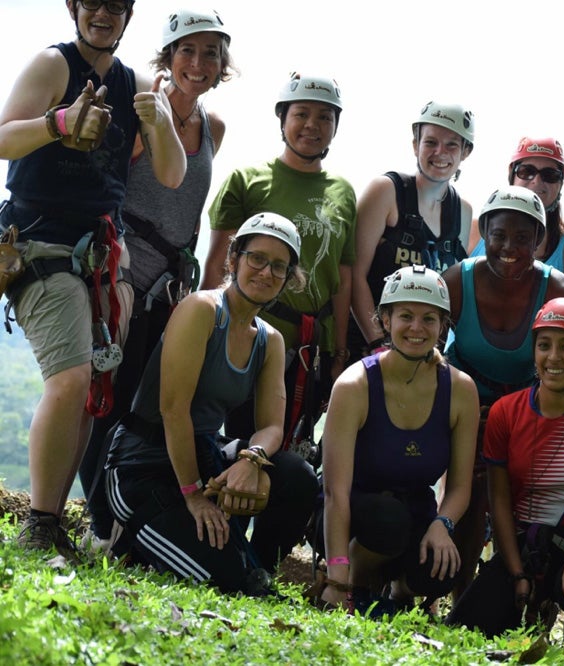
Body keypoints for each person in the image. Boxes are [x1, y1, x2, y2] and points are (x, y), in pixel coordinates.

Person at [0, 0, 186, 554]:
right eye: (92, 3)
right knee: (73, 380)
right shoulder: (53, 65)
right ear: (73, 8)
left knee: (89, 392)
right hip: (38, 241)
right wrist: (59, 122)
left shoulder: (133, 85)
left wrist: (157, 119)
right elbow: (4, 137)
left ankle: (50, 521)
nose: (102, 14)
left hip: (100, 255)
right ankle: (40, 523)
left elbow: (171, 175)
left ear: (128, 14)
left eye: (114, 5)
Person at [79, 6, 235, 548]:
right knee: (106, 400)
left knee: (143, 406)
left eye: (210, 54)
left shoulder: (212, 128)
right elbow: (110, 190)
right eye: (187, 51)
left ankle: (121, 519)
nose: (198, 63)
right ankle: (99, 523)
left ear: (222, 65)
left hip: (168, 285)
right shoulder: (145, 112)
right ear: (168, 57)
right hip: (119, 275)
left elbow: (188, 211)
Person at [104, 213, 319, 593]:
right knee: (221, 582)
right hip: (145, 462)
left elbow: (272, 426)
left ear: (288, 278)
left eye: (279, 266)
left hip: (205, 457)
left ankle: (259, 567)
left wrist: (252, 460)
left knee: (295, 476)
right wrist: (193, 495)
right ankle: (142, 540)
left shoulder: (269, 340)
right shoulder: (202, 310)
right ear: (234, 259)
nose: (266, 272)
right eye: (257, 258)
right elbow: (173, 409)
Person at [446, 297, 564, 646]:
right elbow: (498, 500)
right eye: (544, 345)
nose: (554, 357)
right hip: (525, 545)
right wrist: (516, 572)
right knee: (464, 632)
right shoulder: (506, 412)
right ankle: (532, 608)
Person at [200, 72, 356, 460]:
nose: (312, 126)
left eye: (325, 117)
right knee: (238, 445)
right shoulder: (248, 180)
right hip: (248, 335)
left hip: (310, 346)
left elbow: (343, 276)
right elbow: (218, 261)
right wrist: (205, 330)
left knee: (290, 453)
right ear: (283, 120)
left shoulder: (343, 192)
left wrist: (338, 352)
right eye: (301, 114)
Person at [442, 184, 564, 599]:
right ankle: (458, 592)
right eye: (499, 235)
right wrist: (463, 410)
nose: (509, 248)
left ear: (540, 240)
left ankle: (530, 595)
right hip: (466, 400)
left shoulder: (559, 293)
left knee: (529, 504)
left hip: (530, 408)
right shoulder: (456, 281)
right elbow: (426, 355)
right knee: (466, 494)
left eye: (524, 238)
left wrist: (516, 417)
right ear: (484, 231)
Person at [317, 265, 479, 614]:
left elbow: (459, 488)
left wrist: (442, 524)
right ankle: (357, 585)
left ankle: (399, 590)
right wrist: (337, 575)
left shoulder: (461, 390)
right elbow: (335, 492)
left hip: (413, 515)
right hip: (352, 517)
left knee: (442, 569)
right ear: (385, 321)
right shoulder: (354, 385)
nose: (417, 328)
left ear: (442, 327)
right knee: (388, 520)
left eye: (429, 319)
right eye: (405, 315)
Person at [348, 101, 474, 360]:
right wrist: (378, 345)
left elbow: (449, 297)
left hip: (423, 354)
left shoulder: (463, 211)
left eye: (452, 144)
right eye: (430, 142)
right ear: (415, 144)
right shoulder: (386, 191)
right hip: (369, 348)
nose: (440, 152)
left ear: (465, 152)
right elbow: (354, 274)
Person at [466, 136, 564, 274]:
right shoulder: (472, 232)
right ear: (511, 174)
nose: (536, 181)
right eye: (527, 171)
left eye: (550, 175)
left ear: (561, 182)